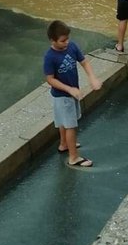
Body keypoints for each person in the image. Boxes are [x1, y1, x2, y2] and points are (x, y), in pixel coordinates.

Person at [43, 20, 102, 168]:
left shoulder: (72, 46)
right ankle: (73, 157)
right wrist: (69, 89)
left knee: (65, 121)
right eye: (63, 41)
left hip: (72, 93)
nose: (67, 42)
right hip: (62, 96)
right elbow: (50, 79)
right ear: (53, 40)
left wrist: (92, 78)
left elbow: (84, 62)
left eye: (67, 38)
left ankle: (64, 144)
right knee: (70, 125)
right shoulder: (50, 57)